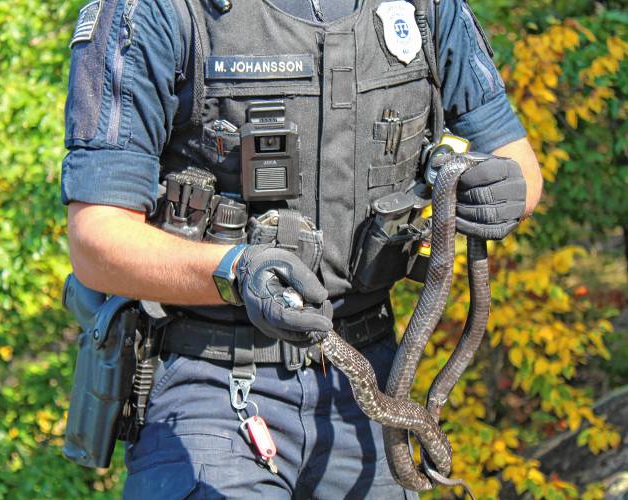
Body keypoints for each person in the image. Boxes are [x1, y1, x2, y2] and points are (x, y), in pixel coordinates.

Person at [61, 0, 542, 496]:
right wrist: (236, 272)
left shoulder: (427, 8)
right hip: (210, 385)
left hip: (371, 389)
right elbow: (96, 240)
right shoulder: (155, 12)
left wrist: (502, 191)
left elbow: (521, 170)